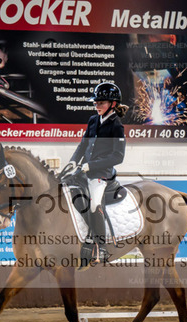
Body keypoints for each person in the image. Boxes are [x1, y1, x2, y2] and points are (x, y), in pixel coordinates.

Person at [69, 82, 128, 263]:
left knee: (95, 204)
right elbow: (83, 145)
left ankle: (101, 247)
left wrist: (91, 165)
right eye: (96, 103)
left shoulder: (116, 126)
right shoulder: (93, 120)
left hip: (102, 174)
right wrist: (73, 162)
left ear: (113, 104)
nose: (97, 106)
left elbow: (118, 157)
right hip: (85, 170)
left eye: (101, 103)